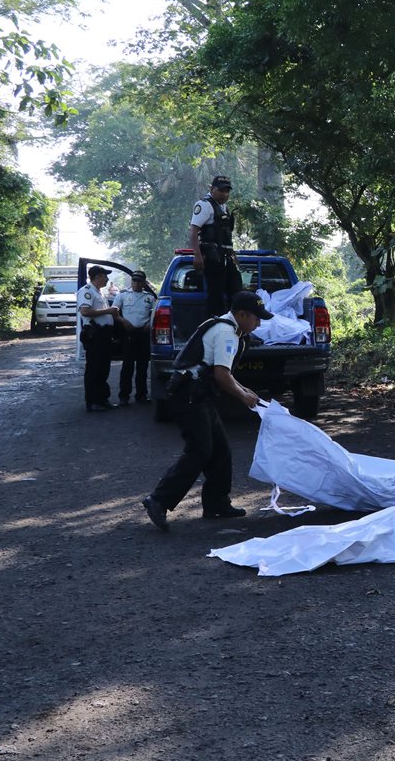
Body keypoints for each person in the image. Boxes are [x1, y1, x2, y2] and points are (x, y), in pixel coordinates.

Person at [141, 291, 273, 531]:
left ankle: (216, 503)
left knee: (220, 450)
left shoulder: (224, 326)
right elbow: (222, 376)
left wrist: (245, 389)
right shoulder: (226, 334)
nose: (259, 323)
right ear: (241, 314)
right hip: (189, 396)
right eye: (256, 318)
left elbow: (220, 372)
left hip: (198, 394)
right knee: (200, 451)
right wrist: (243, 397)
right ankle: (158, 500)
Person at [189, 174, 243, 317]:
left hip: (226, 257)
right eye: (221, 190)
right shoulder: (205, 205)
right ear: (212, 189)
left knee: (237, 293)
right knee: (216, 297)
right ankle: (215, 327)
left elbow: (225, 236)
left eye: (227, 191)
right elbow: (194, 231)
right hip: (213, 258)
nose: (225, 194)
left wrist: (233, 254)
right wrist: (197, 255)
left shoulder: (224, 207)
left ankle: (236, 328)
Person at [78, 265, 120, 412]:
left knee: (103, 368)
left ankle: (102, 399)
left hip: (104, 335)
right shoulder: (87, 291)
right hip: (95, 334)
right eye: (105, 275)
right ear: (97, 276)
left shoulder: (99, 293)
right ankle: (93, 401)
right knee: (94, 368)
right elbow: (85, 311)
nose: (107, 278)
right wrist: (108, 310)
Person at [113, 270, 156, 405]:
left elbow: (155, 314)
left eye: (139, 281)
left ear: (144, 282)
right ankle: (124, 396)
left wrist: (150, 324)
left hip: (143, 334)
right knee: (127, 366)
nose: (136, 283)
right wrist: (123, 321)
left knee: (142, 367)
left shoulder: (150, 297)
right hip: (128, 334)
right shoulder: (123, 295)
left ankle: (141, 395)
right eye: (134, 281)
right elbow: (114, 312)